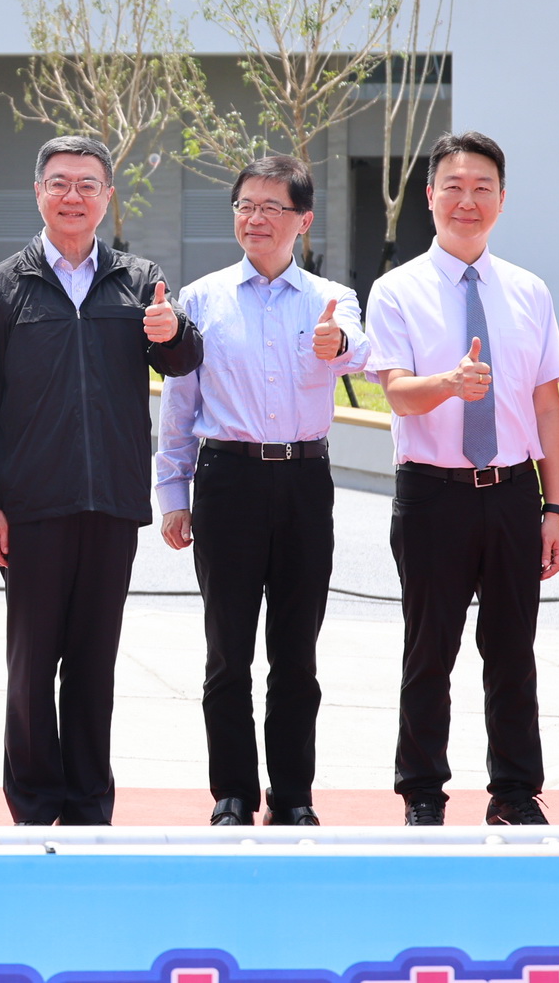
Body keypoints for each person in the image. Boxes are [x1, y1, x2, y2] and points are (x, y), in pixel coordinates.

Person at [0, 134, 204, 826]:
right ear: (39, 191)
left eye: (88, 184)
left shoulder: (139, 279)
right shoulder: (3, 286)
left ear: (107, 197)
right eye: (60, 182)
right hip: (32, 509)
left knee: (94, 667)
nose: (73, 196)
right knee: (34, 667)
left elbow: (181, 360)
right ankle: (36, 801)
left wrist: (172, 329)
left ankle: (90, 801)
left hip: (109, 505)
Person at [364, 130, 559, 827]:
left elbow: (547, 404)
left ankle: (514, 789)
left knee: (513, 648)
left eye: (483, 187)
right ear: (430, 197)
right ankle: (422, 788)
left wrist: (555, 507)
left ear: (502, 200)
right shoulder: (396, 291)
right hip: (432, 493)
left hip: (513, 492)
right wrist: (450, 383)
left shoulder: (529, 291)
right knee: (430, 649)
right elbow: (396, 392)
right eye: (453, 186)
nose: (467, 200)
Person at [156, 155, 367, 827]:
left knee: (296, 653)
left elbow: (361, 349)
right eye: (246, 204)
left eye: (272, 206)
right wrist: (173, 491)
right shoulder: (202, 297)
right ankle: (233, 791)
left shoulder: (330, 299)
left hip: (306, 481)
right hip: (228, 480)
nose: (256, 217)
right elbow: (179, 403)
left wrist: (338, 344)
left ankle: (295, 793)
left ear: (303, 220)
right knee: (227, 651)